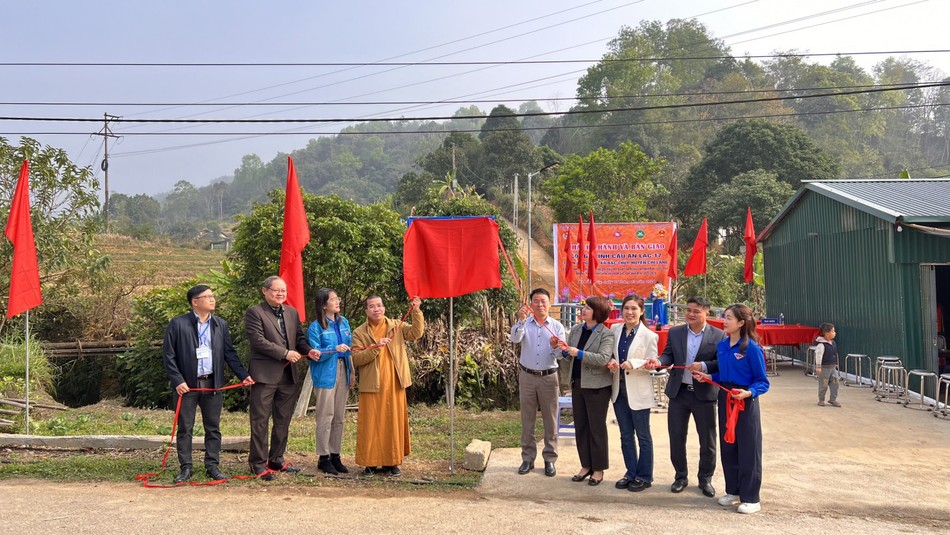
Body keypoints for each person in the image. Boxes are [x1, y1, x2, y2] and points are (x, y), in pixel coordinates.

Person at [163, 284, 255, 483]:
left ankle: (212, 466)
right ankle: (186, 467)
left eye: (213, 295)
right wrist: (178, 380)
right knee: (185, 427)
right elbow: (168, 356)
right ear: (195, 302)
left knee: (213, 427)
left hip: (213, 384)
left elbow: (229, 353)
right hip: (187, 386)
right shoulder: (178, 324)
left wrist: (243, 375)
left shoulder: (220, 324)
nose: (212, 299)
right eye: (207, 296)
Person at [693, 303, 770, 514]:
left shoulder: (752, 348)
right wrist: (709, 377)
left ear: (741, 323)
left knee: (748, 447)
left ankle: (751, 497)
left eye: (728, 318)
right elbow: (723, 375)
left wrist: (749, 393)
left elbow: (762, 382)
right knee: (729, 445)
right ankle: (733, 490)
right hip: (725, 397)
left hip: (744, 401)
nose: (724, 321)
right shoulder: (723, 345)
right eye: (724, 317)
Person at [644, 296, 725, 497]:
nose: (690, 314)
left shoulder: (719, 335)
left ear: (707, 312)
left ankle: (705, 479)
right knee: (677, 437)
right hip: (679, 393)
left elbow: (721, 362)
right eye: (688, 310)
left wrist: (704, 366)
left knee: (708, 440)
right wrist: (658, 360)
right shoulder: (676, 331)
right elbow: (668, 355)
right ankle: (680, 476)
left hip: (704, 395)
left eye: (696, 311)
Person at [245, 276, 319, 480]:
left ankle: (276, 459)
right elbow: (257, 341)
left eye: (283, 291)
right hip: (264, 374)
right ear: (264, 291)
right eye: (276, 290)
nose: (280, 294)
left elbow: (299, 339)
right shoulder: (255, 312)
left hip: (288, 375)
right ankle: (258, 464)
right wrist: (284, 353)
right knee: (260, 420)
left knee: (283, 420)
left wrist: (309, 350)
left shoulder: (292, 312)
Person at [351, 295, 424, 477]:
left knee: (394, 423)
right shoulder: (359, 332)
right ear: (366, 310)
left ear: (384, 308)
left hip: (394, 384)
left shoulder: (396, 326)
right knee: (371, 424)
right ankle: (370, 463)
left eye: (379, 306)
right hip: (371, 385)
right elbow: (357, 359)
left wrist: (416, 311)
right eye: (372, 306)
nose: (376, 309)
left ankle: (392, 462)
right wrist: (375, 347)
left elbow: (416, 333)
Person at [559, 296, 616, 487]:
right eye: (584, 307)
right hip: (577, 384)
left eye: (589, 308)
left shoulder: (606, 334)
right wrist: (565, 352)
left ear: (598, 312)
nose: (584, 310)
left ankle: (598, 469)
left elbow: (603, 358)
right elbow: (568, 358)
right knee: (581, 426)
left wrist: (579, 353)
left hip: (597, 387)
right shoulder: (575, 330)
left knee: (596, 428)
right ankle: (585, 465)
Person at [510, 288, 566, 477]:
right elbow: (515, 339)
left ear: (549, 304)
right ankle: (527, 458)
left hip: (549, 377)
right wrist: (520, 320)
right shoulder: (525, 324)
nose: (540, 305)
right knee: (527, 419)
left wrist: (554, 348)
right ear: (530, 304)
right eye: (536, 301)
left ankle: (550, 459)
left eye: (543, 301)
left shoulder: (557, 327)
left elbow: (561, 355)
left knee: (550, 420)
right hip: (527, 376)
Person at [608, 294, 659, 492]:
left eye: (634, 309)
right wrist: (612, 363)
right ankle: (630, 472)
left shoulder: (649, 336)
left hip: (638, 391)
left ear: (642, 311)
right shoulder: (614, 329)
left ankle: (644, 476)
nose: (629, 312)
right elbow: (611, 354)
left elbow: (652, 363)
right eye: (626, 308)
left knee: (643, 436)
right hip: (619, 390)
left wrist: (635, 363)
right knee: (625, 435)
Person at [307, 288, 354, 474]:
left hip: (344, 368)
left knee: (339, 416)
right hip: (326, 372)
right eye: (333, 299)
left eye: (338, 298)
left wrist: (352, 373)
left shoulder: (345, 323)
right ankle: (323, 456)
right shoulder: (316, 327)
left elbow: (349, 349)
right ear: (324, 305)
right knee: (325, 416)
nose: (337, 302)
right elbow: (315, 353)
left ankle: (336, 454)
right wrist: (334, 348)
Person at [813, 323, 841, 407]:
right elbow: (819, 356)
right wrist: (818, 367)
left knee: (835, 383)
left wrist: (835, 363)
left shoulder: (833, 343)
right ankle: (821, 399)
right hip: (824, 368)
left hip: (832, 367)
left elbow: (834, 354)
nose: (835, 333)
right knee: (823, 384)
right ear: (827, 334)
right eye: (833, 331)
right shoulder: (821, 345)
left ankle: (833, 399)